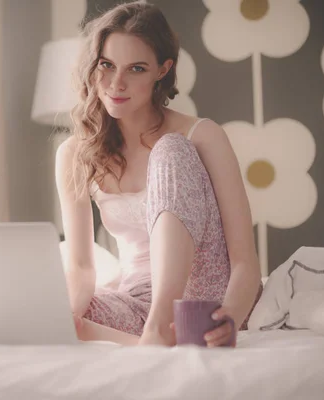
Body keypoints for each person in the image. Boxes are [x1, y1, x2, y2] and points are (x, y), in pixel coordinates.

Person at [55, 1, 263, 347]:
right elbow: (81, 270)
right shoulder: (74, 154)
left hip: (201, 294)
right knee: (54, 311)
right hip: (136, 301)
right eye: (106, 65)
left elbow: (244, 261)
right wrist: (70, 315)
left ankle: (158, 330)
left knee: (169, 148)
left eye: (135, 69)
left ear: (162, 71)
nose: (116, 83)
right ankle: (149, 337)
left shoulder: (202, 135)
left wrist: (231, 315)